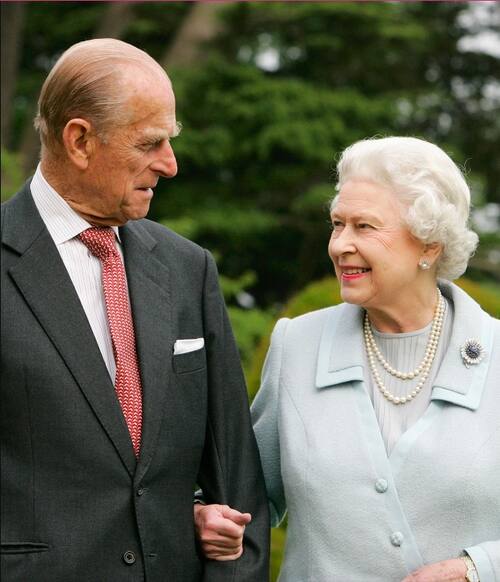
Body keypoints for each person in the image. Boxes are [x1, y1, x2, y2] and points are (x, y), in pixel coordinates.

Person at [1, 38, 269, 582]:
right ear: (79, 140)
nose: (170, 164)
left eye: (170, 141)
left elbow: (237, 483)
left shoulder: (188, 268)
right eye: (150, 143)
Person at [197, 137, 500, 581]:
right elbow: (244, 494)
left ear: (429, 245)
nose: (340, 245)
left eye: (364, 227)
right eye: (337, 225)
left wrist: (478, 569)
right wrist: (206, 513)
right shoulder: (297, 345)